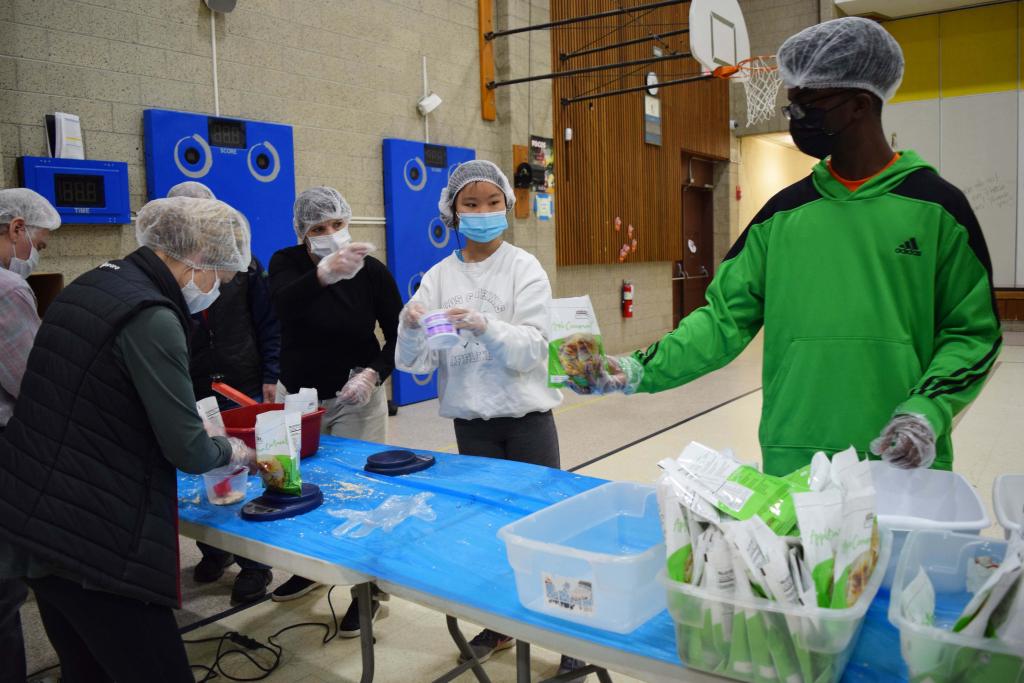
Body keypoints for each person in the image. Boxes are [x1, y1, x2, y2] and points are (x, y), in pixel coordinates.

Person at [571, 17, 1002, 476]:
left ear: (859, 104)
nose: (795, 118)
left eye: (808, 104)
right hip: (795, 456)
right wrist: (636, 369)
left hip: (900, 456)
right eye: (792, 105)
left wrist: (926, 412)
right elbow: (721, 322)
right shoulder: (780, 215)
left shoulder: (937, 208)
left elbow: (972, 333)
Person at [0, 196, 256, 682]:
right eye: (216, 280)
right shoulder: (152, 315)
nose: (212, 294)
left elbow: (94, 390)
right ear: (196, 257)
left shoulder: (93, 282)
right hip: (94, 537)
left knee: (87, 669)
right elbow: (190, 450)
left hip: (33, 518)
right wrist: (234, 448)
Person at [395, 160, 586, 680]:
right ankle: (502, 623)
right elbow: (413, 363)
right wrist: (410, 325)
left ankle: (568, 631)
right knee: (491, 529)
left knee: (546, 526)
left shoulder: (524, 267)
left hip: (527, 421)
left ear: (508, 205)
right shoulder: (439, 276)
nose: (482, 213)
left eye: (491, 202)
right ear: (452, 212)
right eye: (470, 204)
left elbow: (534, 350)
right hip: (473, 425)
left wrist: (486, 326)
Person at [267, 187, 402, 625]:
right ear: (302, 234)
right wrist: (323, 273)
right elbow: (282, 306)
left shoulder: (373, 272)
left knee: (361, 490)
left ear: (349, 222)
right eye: (318, 229)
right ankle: (311, 570)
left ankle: (369, 592)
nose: (330, 234)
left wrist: (373, 374)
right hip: (301, 400)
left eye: (337, 225)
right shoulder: (286, 264)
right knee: (303, 485)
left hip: (355, 396)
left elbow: (400, 337)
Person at [167, 182, 282, 604]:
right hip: (194, 381)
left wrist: (271, 370)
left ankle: (255, 564)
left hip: (241, 378)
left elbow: (267, 320)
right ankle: (214, 549)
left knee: (243, 468)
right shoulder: (173, 269)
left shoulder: (245, 263)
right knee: (202, 469)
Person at [0, 188, 59, 683]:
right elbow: (34, 385)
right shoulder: (7, 291)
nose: (37, 254)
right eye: (39, 241)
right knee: (4, 593)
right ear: (17, 229)